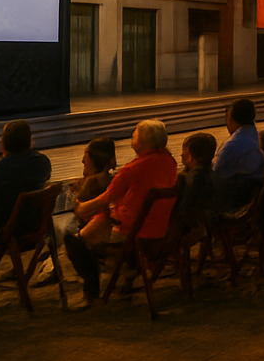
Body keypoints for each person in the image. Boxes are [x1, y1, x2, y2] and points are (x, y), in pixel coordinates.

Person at [65, 120, 179, 300]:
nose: (131, 137)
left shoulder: (132, 169)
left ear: (142, 142)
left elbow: (105, 198)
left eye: (134, 135)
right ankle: (129, 273)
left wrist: (80, 208)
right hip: (161, 226)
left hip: (132, 230)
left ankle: (92, 286)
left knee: (74, 239)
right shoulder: (169, 162)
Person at [0, 119, 53, 252]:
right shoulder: (42, 163)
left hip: (5, 227)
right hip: (33, 224)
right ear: (29, 141)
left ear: (3, 143)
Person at [213, 98, 264, 212]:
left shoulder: (231, 145)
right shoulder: (256, 136)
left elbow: (216, 173)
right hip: (252, 192)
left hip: (234, 197)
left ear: (231, 119)